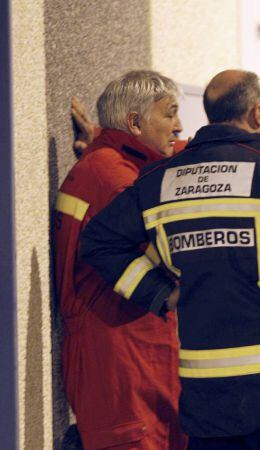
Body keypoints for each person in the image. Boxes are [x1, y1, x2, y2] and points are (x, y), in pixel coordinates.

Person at [80, 69, 260, 450]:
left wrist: (159, 292)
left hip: (207, 407)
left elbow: (99, 242)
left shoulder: (160, 180)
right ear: (258, 114)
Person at [54, 70, 187, 449]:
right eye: (170, 114)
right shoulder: (117, 179)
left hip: (117, 355)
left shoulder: (106, 164)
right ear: (135, 122)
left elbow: (188, 151)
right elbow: (165, 258)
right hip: (123, 363)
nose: (178, 127)